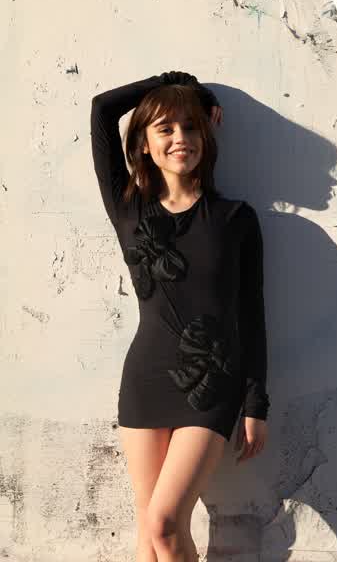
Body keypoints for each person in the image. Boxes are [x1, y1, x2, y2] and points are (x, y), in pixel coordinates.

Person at [90, 70, 270, 561]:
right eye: (165, 129)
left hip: (213, 385)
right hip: (145, 379)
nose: (180, 138)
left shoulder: (236, 219)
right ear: (144, 144)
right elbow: (103, 109)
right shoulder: (128, 209)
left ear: (206, 138)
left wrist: (256, 404)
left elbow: (251, 315)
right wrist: (183, 84)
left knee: (165, 524)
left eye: (191, 126)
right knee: (149, 532)